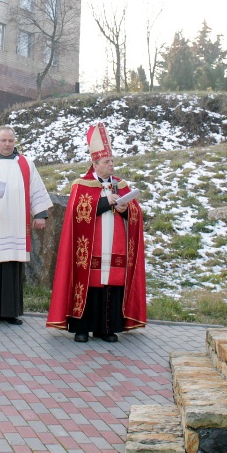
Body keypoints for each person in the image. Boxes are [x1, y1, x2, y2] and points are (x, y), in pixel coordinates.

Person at [47, 124, 147, 342]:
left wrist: (125, 208)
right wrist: (103, 202)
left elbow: (136, 212)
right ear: (95, 164)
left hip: (116, 246)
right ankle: (82, 328)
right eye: (106, 162)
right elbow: (77, 212)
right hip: (90, 247)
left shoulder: (121, 184)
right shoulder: (81, 185)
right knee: (90, 284)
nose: (111, 165)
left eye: (112, 161)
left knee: (112, 284)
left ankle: (106, 328)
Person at [0, 126, 52, 326]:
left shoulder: (25, 163)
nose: (7, 144)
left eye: (10, 141)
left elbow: (36, 189)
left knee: (12, 267)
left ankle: (10, 311)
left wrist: (40, 214)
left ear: (15, 142)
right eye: (3, 141)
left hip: (16, 223)